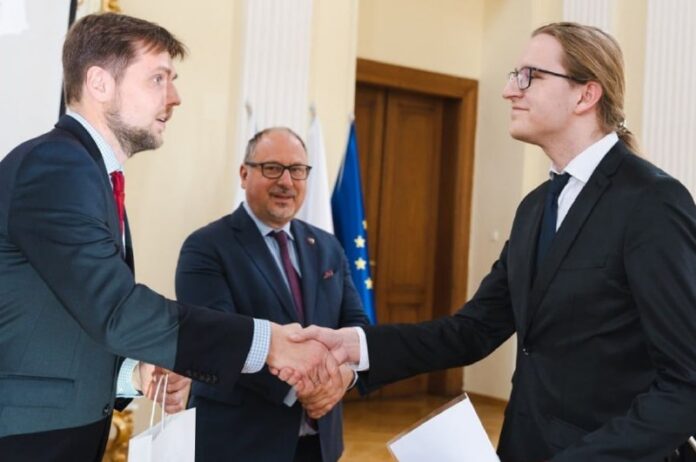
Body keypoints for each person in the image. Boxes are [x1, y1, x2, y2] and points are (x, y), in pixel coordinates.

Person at [289, 22, 696, 462]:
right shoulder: (535, 208)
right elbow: (474, 330)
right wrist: (358, 346)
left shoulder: (652, 201)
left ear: (585, 95)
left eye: (530, 76)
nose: (509, 91)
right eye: (514, 75)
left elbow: (685, 385)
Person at [0, 13, 332, 461]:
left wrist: (134, 374)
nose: (174, 97)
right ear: (99, 83)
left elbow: (64, 317)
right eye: (158, 78)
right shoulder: (59, 166)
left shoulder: (90, 172)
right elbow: (116, 308)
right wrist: (267, 342)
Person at [175, 127, 369, 462]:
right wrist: (306, 385)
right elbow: (216, 341)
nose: (286, 181)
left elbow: (357, 325)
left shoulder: (327, 246)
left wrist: (344, 377)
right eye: (272, 168)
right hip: (239, 443)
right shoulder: (205, 247)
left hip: (319, 442)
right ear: (244, 174)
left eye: (297, 170)